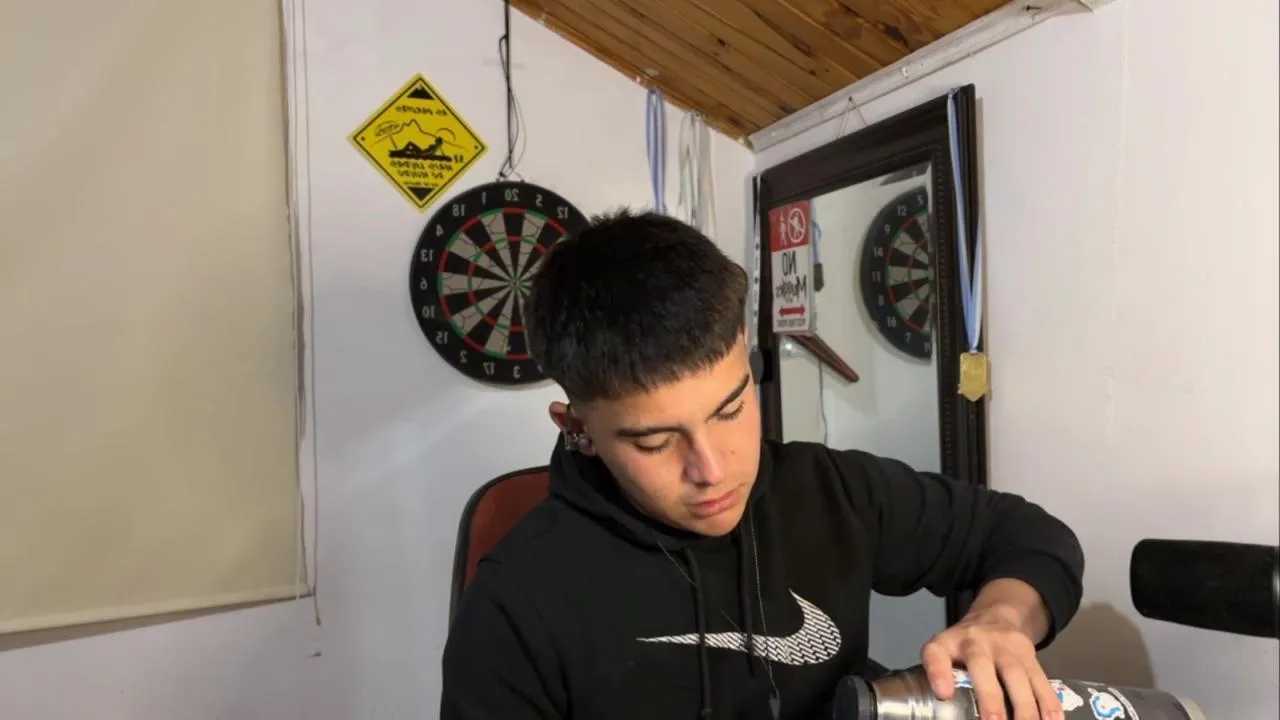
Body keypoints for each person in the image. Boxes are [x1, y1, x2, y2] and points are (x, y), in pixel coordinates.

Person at [440, 209, 1084, 720]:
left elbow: (1028, 537)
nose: (713, 469)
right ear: (577, 428)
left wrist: (999, 621)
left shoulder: (828, 490)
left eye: (730, 409)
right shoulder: (513, 609)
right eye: (656, 442)